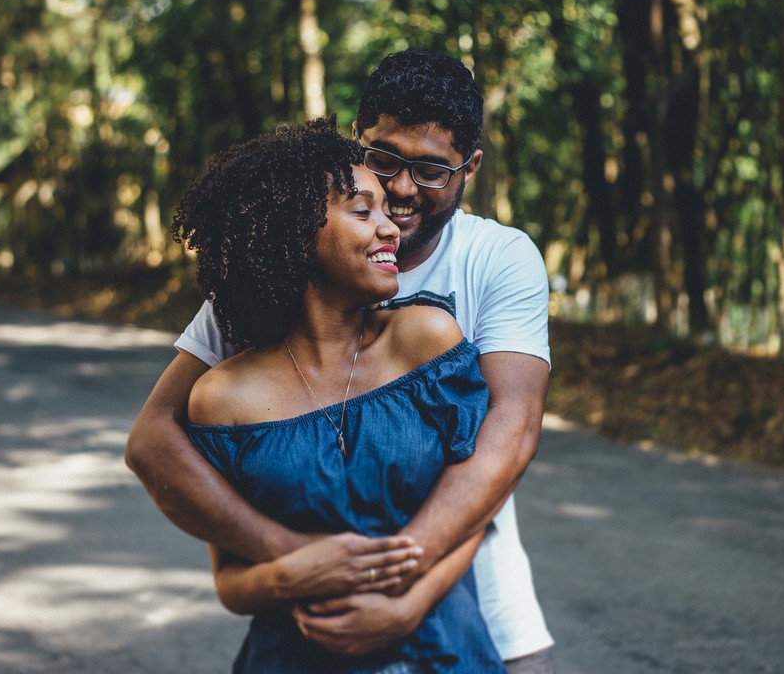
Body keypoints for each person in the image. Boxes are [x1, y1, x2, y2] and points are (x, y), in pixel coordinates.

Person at [126, 50, 554, 672]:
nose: (402, 191)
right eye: (385, 161)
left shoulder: (495, 262)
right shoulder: (260, 292)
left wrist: (400, 588)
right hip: (309, 633)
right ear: (356, 145)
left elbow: (507, 441)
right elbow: (154, 442)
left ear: (470, 169)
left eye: (432, 170)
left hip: (473, 610)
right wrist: (296, 559)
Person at [176, 118, 505, 671]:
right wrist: (293, 572)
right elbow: (232, 583)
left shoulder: (426, 341)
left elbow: (475, 510)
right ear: (296, 231)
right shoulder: (221, 397)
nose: (391, 229)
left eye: (385, 211)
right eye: (363, 212)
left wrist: (409, 604)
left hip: (442, 651)